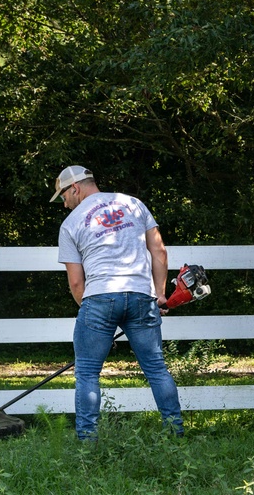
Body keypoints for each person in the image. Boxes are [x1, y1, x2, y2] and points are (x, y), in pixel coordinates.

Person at [51, 165, 182, 440]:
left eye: (63, 196)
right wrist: (159, 293)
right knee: (157, 369)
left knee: (87, 373)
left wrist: (94, 320)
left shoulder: (72, 223)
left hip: (100, 296)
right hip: (140, 295)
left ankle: (88, 441)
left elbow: (76, 284)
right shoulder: (133, 204)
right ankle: (175, 434)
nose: (64, 204)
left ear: (74, 188)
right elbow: (158, 249)